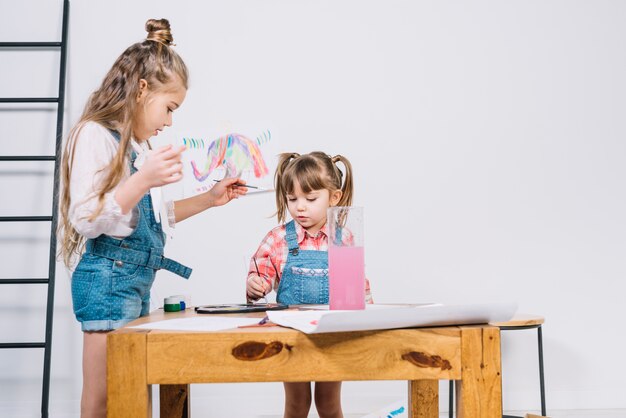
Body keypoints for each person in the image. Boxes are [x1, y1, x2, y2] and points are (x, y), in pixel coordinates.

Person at [58, 19, 247, 418]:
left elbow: (152, 219)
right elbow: (88, 218)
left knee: (132, 394)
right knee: (102, 401)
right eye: (169, 108)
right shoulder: (92, 135)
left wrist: (210, 199)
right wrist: (143, 178)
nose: (169, 122)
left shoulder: (138, 149)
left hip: (136, 283)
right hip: (108, 283)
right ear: (142, 90)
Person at [246, 151, 372, 418]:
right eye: (292, 199)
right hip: (291, 336)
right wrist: (256, 284)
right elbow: (261, 277)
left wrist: (367, 315)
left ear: (334, 197)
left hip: (331, 335)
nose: (299, 207)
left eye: (310, 199)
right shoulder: (278, 238)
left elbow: (358, 287)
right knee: (296, 403)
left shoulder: (343, 238)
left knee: (328, 403)